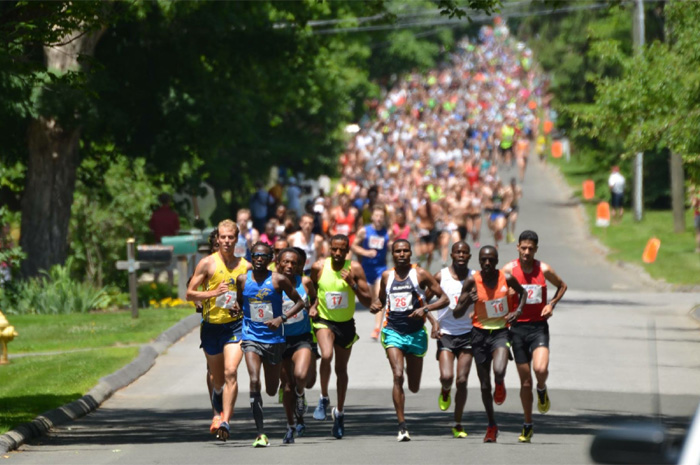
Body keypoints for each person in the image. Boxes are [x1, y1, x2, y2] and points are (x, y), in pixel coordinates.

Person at [370, 239, 447, 442]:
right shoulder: (386, 276)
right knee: (397, 375)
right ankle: (402, 426)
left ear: (411, 253)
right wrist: (375, 305)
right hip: (393, 331)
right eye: (398, 251)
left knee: (413, 386)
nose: (402, 254)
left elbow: (444, 298)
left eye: (405, 251)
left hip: (416, 334)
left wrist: (426, 310)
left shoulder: (420, 273)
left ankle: (408, 369)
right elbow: (382, 299)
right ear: (392, 254)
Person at [233, 242, 306, 447]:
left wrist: (281, 319)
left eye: (263, 256)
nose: (258, 259)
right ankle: (260, 434)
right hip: (251, 337)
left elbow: (300, 302)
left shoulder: (278, 280)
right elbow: (240, 302)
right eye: (255, 255)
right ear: (251, 257)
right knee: (255, 380)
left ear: (270, 259)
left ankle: (292, 400)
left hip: (274, 340)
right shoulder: (242, 279)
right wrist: (236, 309)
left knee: (273, 390)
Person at [186, 219, 251, 440]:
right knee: (217, 378)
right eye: (222, 237)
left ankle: (225, 421)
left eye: (230, 237)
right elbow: (190, 294)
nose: (226, 241)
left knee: (230, 371)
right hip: (212, 326)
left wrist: (241, 307)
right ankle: (216, 398)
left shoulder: (245, 267)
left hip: (235, 326)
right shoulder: (207, 263)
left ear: (236, 238)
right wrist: (213, 294)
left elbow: (254, 298)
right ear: (218, 239)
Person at [453, 245, 526, 443]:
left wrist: (517, 311)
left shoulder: (507, 278)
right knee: (485, 386)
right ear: (479, 261)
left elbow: (523, 294)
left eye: (491, 260)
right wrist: (468, 299)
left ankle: (500, 382)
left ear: (496, 261)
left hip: (501, 332)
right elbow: (457, 312)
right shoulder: (472, 280)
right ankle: (492, 425)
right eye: (484, 260)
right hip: (478, 335)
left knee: (499, 370)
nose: (487, 263)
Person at [501, 230, 567, 443]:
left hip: (538, 327)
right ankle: (527, 424)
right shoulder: (509, 271)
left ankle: (542, 389)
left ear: (536, 249)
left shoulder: (544, 269)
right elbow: (496, 296)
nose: (527, 252)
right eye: (523, 248)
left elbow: (562, 286)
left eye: (531, 249)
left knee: (540, 369)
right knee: (525, 382)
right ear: (517, 247)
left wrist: (551, 304)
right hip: (517, 329)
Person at [309, 234, 372, 439]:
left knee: (341, 369)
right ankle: (323, 397)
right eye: (334, 249)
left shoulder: (354, 269)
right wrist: (313, 305)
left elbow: (368, 299)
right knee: (326, 355)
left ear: (347, 251)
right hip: (324, 321)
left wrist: (352, 283)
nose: (337, 253)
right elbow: (312, 289)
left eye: (341, 250)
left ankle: (340, 412)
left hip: (345, 324)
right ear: (329, 248)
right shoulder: (318, 266)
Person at [431, 241, 476, 438]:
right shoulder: (441, 276)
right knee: (447, 377)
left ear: (469, 256)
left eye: (464, 252)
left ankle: (458, 423)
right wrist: (433, 322)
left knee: (463, 380)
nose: (460, 255)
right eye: (457, 252)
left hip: (468, 333)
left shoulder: (475, 278)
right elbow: (422, 301)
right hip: (446, 333)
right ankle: (445, 389)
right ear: (451, 254)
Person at [277, 247, 318, 444]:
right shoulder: (273, 284)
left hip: (302, 337)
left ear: (299, 266)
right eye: (285, 262)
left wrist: (314, 308)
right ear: (278, 263)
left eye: (293, 263)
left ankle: (301, 397)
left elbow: (315, 298)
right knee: (287, 386)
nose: (289, 266)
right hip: (280, 339)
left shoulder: (306, 282)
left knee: (301, 377)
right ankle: (291, 425)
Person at [351, 205, 390, 340]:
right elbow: (354, 246)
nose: (379, 219)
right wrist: (366, 252)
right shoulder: (364, 231)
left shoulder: (387, 233)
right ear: (372, 217)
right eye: (377, 216)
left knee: (380, 297)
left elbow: (391, 247)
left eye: (381, 217)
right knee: (370, 298)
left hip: (381, 268)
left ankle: (377, 328)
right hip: (366, 269)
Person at [148, 193, 180, 285]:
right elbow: (176, 231)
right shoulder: (173, 215)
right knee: (170, 269)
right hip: (170, 243)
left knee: (157, 269)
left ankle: (155, 287)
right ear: (169, 201)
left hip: (159, 243)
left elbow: (151, 230)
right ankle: (170, 288)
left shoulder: (155, 214)